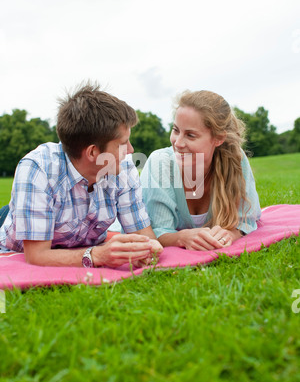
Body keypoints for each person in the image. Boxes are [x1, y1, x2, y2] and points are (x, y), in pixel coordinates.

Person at [0, 82, 162, 267]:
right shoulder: (38, 168)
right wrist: (98, 256)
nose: (131, 150)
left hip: (74, 239)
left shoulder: (122, 169)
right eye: (122, 144)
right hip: (15, 242)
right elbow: (37, 256)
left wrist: (149, 248)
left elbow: (145, 237)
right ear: (93, 153)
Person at [140, 90, 261, 251]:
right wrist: (181, 237)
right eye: (176, 130)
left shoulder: (234, 159)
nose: (178, 143)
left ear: (218, 138)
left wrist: (231, 234)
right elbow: (157, 231)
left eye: (190, 135)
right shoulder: (160, 163)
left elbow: (246, 220)